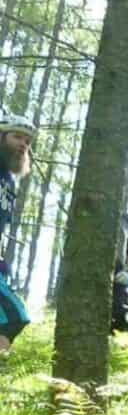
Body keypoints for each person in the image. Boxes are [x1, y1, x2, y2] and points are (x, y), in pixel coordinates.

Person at [0, 112, 35, 357]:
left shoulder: (10, 183)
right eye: (17, 137)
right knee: (13, 315)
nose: (23, 144)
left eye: (27, 141)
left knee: (12, 318)